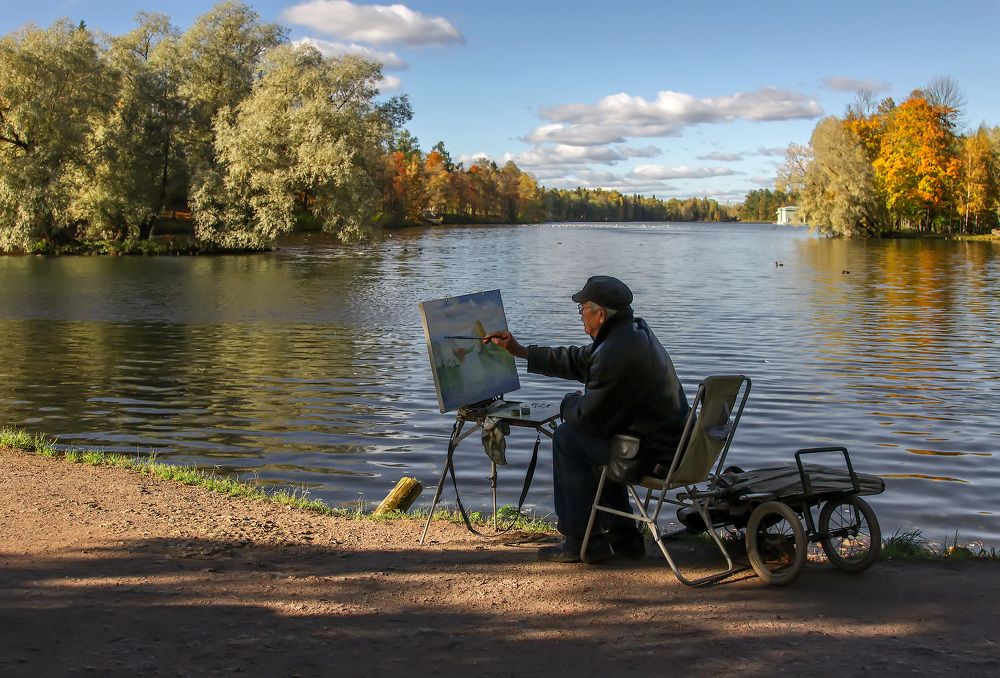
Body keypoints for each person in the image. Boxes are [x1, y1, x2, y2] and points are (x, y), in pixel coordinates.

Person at [484, 275, 690, 563]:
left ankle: (581, 540)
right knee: (598, 441)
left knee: (568, 438)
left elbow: (585, 418)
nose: (580, 315)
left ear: (600, 314)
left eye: (582, 309)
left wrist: (568, 401)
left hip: (654, 455)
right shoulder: (632, 333)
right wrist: (521, 351)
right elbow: (579, 359)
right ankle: (624, 538)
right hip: (671, 446)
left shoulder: (615, 351)